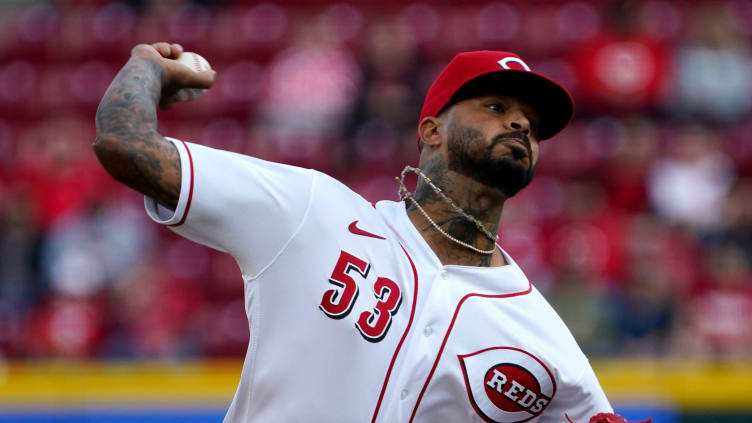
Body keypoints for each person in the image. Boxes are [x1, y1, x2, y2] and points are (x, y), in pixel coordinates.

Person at [93, 42, 637, 423]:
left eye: (532, 124)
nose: (520, 124)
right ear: (431, 131)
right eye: (496, 107)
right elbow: (124, 146)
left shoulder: (542, 338)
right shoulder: (312, 211)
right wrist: (147, 68)